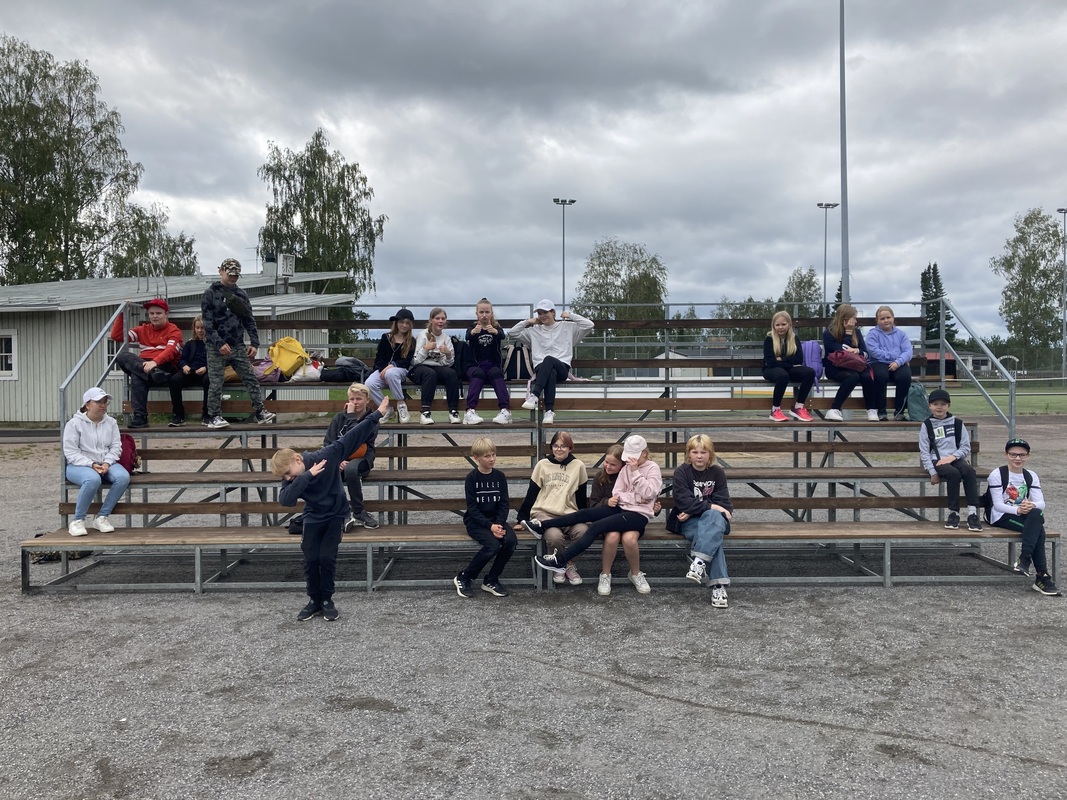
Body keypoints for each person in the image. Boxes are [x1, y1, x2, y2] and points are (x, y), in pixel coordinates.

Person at [271, 396, 390, 621]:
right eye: (284, 477)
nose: (287, 478)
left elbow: (353, 436)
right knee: (311, 560)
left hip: (335, 515)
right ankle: (313, 601)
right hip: (312, 517)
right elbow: (285, 500)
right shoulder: (294, 477)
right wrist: (306, 476)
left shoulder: (325, 457)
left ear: (298, 459)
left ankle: (327, 600)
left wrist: (377, 415)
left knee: (326, 558)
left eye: (288, 473)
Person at [530, 434, 661, 595]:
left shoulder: (651, 468)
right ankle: (542, 525)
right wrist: (637, 498)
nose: (630, 460)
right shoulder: (626, 468)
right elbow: (618, 493)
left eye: (633, 457)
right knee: (585, 513)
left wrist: (635, 474)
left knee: (596, 526)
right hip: (622, 508)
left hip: (639, 515)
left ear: (644, 454)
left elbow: (649, 493)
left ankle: (561, 561)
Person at [200, 258, 276, 429]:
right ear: (221, 271)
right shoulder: (210, 294)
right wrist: (219, 343)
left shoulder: (241, 295)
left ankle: (260, 412)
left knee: (250, 377)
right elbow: (207, 323)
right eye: (230, 274)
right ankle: (213, 416)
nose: (233, 278)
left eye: (236, 275)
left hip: (237, 344)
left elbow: (248, 319)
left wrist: (254, 342)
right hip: (216, 347)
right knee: (216, 382)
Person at [514, 431, 589, 586]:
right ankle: (558, 567)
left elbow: (581, 496)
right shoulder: (542, 465)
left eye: (563, 446)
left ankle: (568, 565)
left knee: (584, 532)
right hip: (545, 514)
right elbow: (532, 493)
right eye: (555, 446)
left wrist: (585, 517)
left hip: (569, 514)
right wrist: (521, 519)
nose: (559, 449)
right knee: (554, 537)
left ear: (570, 448)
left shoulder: (578, 466)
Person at [587, 443, 663, 596]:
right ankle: (605, 574)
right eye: (606, 462)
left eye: (613, 464)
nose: (608, 466)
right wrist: (607, 502)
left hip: (633, 517)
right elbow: (594, 504)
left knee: (629, 539)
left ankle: (635, 573)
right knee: (612, 536)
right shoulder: (602, 477)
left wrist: (656, 509)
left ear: (622, 464)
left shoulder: (632, 471)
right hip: (611, 517)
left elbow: (649, 498)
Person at [987, 437, 1060, 596]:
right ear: (1006, 455)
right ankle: (1041, 576)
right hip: (1001, 516)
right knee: (1038, 530)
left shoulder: (1031, 475)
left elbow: (1041, 503)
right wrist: (1019, 510)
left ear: (1028, 456)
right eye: (1013, 454)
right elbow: (997, 505)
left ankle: (1025, 560)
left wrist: (1031, 505)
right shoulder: (997, 474)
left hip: (1023, 514)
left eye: (1022, 455)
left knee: (1036, 513)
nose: (1017, 458)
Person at [671, 434, 734, 609]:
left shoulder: (717, 473)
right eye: (695, 452)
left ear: (710, 454)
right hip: (690, 522)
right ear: (688, 454)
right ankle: (719, 586)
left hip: (713, 521)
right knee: (713, 538)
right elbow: (684, 502)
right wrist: (713, 507)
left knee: (713, 520)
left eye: (703, 452)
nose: (699, 456)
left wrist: (695, 509)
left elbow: (724, 502)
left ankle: (699, 562)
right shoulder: (682, 472)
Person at [509, 299, 594, 425]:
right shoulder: (534, 330)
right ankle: (549, 411)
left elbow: (589, 325)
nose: (542, 316)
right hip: (541, 369)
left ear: (553, 312)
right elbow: (512, 332)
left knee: (549, 359)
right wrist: (527, 322)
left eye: (545, 312)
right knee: (550, 372)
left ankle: (535, 395)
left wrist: (571, 316)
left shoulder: (567, 327)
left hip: (562, 369)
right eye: (540, 313)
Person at [62, 387, 131, 536]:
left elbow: (116, 447)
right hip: (79, 465)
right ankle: (78, 520)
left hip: (105, 462)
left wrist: (107, 462)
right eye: (98, 402)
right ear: (87, 404)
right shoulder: (74, 424)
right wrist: (91, 464)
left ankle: (102, 517)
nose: (103, 405)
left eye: (105, 402)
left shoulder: (111, 422)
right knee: (92, 479)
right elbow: (71, 452)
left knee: (123, 477)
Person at [453, 437, 517, 598]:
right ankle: (465, 577)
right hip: (476, 522)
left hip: (496, 521)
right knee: (493, 546)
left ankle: (491, 579)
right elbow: (472, 509)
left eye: (493, 455)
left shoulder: (500, 476)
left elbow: (504, 504)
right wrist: (490, 527)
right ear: (476, 457)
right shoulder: (472, 478)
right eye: (487, 456)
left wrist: (498, 524)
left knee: (510, 542)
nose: (492, 459)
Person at [110, 298, 183, 428]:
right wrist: (122, 313)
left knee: (137, 376)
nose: (154, 316)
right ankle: (140, 416)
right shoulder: (143, 329)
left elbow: (171, 350)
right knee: (122, 356)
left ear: (166, 314)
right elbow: (117, 336)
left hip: (165, 368)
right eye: (151, 313)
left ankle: (140, 417)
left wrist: (155, 362)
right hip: (146, 366)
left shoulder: (174, 330)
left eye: (158, 313)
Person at [918, 388, 982, 532]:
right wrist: (933, 472)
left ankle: (973, 513)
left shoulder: (957, 423)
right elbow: (924, 450)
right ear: (929, 406)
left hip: (955, 458)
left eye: (943, 404)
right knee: (953, 474)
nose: (939, 407)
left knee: (969, 471)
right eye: (935, 404)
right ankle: (954, 513)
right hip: (938, 460)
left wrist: (953, 457)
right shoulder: (927, 425)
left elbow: (965, 447)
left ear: (948, 406)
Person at [324, 382, 380, 531]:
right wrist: (338, 460)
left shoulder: (372, 420)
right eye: (352, 399)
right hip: (340, 458)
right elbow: (328, 443)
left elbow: (356, 440)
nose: (355, 402)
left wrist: (351, 416)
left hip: (362, 458)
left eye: (359, 399)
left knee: (351, 469)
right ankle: (341, 513)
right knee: (328, 471)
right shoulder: (338, 418)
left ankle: (359, 512)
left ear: (367, 400)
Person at [821, 303, 879, 422]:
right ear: (845, 319)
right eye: (853, 318)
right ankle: (834, 409)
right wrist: (848, 332)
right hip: (835, 367)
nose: (855, 321)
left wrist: (858, 351)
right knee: (853, 377)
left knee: (867, 376)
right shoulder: (829, 333)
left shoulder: (856, 332)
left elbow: (865, 353)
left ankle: (871, 409)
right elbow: (842, 353)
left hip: (855, 366)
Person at [463, 298, 512, 425]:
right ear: (477, 314)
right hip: (475, 365)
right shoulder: (473, 327)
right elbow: (467, 335)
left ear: (491, 313)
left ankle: (505, 410)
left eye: (487, 312)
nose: (484, 315)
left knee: (497, 373)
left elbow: (502, 335)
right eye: (481, 312)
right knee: (478, 374)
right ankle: (469, 411)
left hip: (492, 365)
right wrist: (473, 332)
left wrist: (495, 332)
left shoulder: (496, 327)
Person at [409, 307, 461, 424]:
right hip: (419, 368)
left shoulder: (446, 338)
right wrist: (425, 349)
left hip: (437, 368)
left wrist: (448, 354)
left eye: (443, 319)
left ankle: (453, 411)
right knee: (430, 373)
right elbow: (414, 361)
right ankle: (425, 412)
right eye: (437, 318)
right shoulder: (422, 335)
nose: (441, 321)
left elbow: (446, 364)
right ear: (431, 320)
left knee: (451, 374)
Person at [762, 310, 816, 422]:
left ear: (789, 324)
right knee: (783, 376)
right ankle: (775, 409)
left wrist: (782, 359)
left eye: (783, 324)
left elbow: (799, 359)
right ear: (773, 326)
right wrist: (790, 361)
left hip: (788, 369)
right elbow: (771, 362)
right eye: (777, 325)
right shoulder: (769, 339)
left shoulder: (794, 338)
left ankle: (799, 406)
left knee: (810, 372)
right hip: (771, 369)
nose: (780, 327)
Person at [365, 308, 416, 423]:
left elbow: (406, 361)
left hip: (400, 370)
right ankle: (387, 409)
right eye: (401, 322)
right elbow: (379, 357)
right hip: (383, 370)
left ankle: (401, 403)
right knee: (369, 383)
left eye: (407, 323)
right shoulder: (386, 337)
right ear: (396, 323)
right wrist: (383, 370)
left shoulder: (411, 341)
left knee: (391, 373)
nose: (404, 325)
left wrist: (392, 365)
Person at [865, 305, 913, 421]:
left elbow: (908, 351)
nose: (886, 320)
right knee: (880, 376)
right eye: (882, 318)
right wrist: (895, 357)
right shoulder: (872, 334)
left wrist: (898, 362)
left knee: (905, 376)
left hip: (898, 363)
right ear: (877, 321)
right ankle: (881, 411)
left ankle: (899, 411)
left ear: (893, 318)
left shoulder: (901, 334)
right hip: (878, 362)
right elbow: (874, 351)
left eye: (888, 317)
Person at [168, 315, 209, 427]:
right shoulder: (190, 344)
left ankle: (207, 414)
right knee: (174, 380)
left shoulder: (211, 344)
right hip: (190, 371)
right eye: (197, 328)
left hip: (205, 371)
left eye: (203, 328)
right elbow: (182, 359)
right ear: (194, 328)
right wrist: (184, 366)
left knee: (209, 380)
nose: (200, 330)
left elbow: (217, 361)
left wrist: (206, 368)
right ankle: (179, 415)